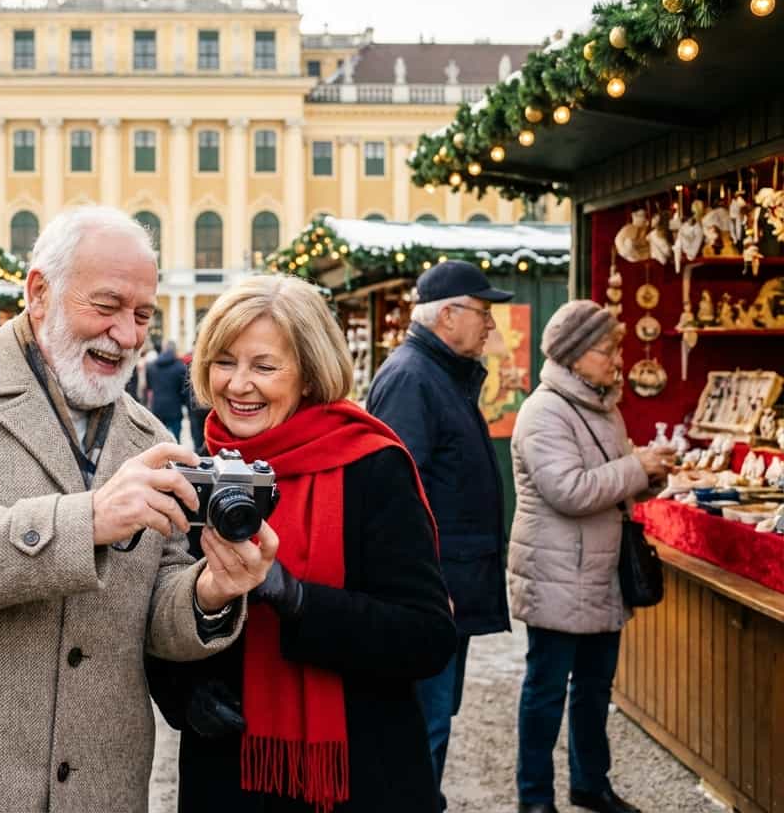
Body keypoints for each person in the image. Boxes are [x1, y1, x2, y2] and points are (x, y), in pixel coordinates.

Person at [0, 206, 278, 812]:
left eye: (142, 315)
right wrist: (88, 520)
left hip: (100, 792)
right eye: (106, 307)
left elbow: (156, 616)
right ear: (39, 292)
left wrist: (210, 593)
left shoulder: (148, 434)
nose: (128, 336)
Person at [157, 274, 457, 813]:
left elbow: (427, 636)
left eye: (265, 366)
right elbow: (153, 617)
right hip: (230, 773)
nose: (238, 384)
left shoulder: (371, 465)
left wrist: (293, 597)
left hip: (357, 777)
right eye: (224, 361)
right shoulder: (197, 471)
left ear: (310, 375)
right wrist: (184, 693)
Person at [510, 301, 674, 813]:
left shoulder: (604, 405)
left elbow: (614, 486)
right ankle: (534, 797)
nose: (617, 360)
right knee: (546, 691)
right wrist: (634, 466)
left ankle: (590, 783)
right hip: (557, 572)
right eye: (607, 351)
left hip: (600, 573)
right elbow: (569, 491)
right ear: (576, 355)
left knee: (594, 689)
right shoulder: (544, 412)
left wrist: (651, 473)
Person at [364, 259, 515, 811]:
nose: (491, 326)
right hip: (433, 593)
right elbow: (397, 497)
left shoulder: (436, 374)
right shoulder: (413, 378)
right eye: (484, 313)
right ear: (448, 316)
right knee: (422, 724)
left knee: (434, 718)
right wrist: (422, 585)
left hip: (450, 584)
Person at [145, 338, 190, 441]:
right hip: (174, 409)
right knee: (175, 440)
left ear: (163, 349)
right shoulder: (180, 367)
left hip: (157, 408)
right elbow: (184, 390)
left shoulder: (152, 366)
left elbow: (149, 387)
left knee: (158, 441)